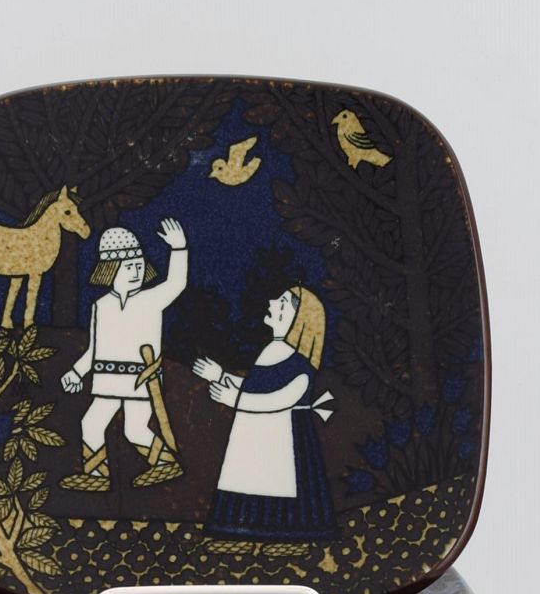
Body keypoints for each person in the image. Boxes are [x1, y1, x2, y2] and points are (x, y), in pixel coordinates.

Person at [193, 285, 335, 543]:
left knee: (278, 482)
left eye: (282, 302)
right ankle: (235, 532)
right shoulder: (271, 350)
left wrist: (233, 399)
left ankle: (289, 537)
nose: (271, 302)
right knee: (247, 477)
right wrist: (221, 376)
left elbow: (279, 399)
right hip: (254, 434)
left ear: (299, 319)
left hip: (283, 437)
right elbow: (256, 386)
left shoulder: (299, 365)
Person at [60, 219, 187, 491]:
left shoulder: (151, 299)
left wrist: (179, 249)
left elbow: (176, 283)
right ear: (110, 269)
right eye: (128, 267)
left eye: (139, 266)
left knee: (135, 429)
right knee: (91, 423)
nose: (136, 272)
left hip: (141, 380)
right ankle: (97, 477)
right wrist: (76, 372)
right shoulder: (101, 305)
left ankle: (165, 464)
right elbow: (95, 348)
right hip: (107, 380)